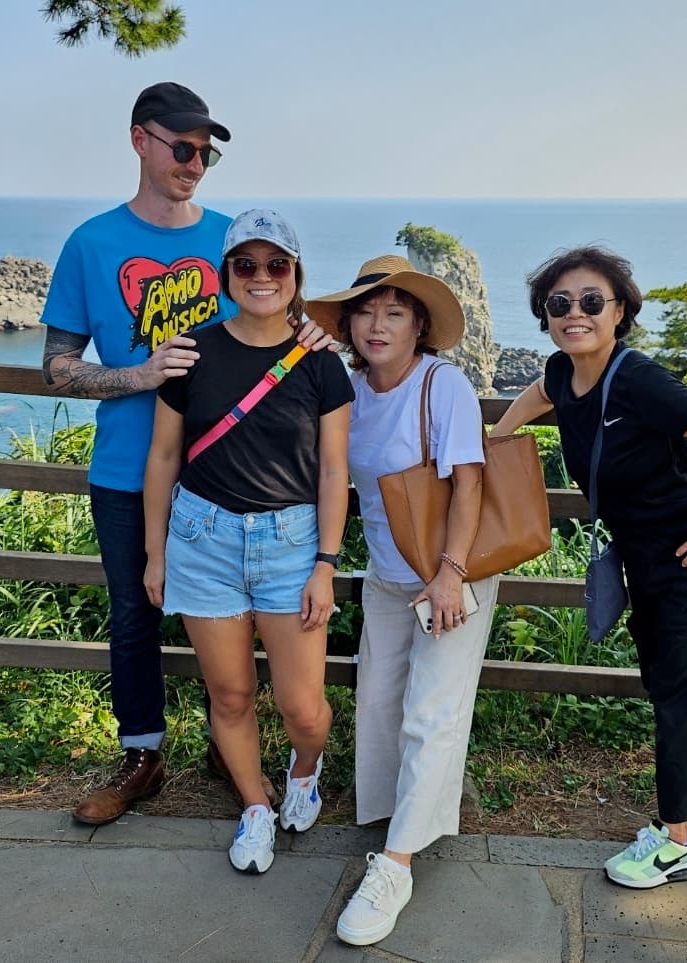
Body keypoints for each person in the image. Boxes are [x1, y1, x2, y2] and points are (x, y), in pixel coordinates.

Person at [41, 82, 327, 825]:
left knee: (248, 616)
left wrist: (321, 336)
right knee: (135, 611)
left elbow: (286, 323)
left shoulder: (237, 240)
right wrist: (138, 374)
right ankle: (142, 754)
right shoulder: (92, 243)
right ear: (140, 139)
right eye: (182, 147)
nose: (195, 164)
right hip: (127, 470)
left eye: (206, 152)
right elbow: (57, 365)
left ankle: (228, 750)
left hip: (228, 480)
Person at [492, 246, 687, 890]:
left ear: (620, 312)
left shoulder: (636, 378)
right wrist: (494, 441)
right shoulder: (564, 373)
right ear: (546, 316)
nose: (574, 314)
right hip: (645, 556)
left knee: (678, 692)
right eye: (560, 304)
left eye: (592, 302)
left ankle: (677, 840)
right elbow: (536, 395)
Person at [143, 209, 353, 874]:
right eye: (246, 264)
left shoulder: (322, 364)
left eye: (276, 265)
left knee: (302, 705)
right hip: (203, 536)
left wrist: (325, 561)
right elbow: (162, 456)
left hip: (290, 543)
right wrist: (155, 553)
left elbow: (333, 469)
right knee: (229, 694)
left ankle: (303, 771)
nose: (260, 277)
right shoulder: (191, 353)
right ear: (226, 274)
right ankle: (254, 806)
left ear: (295, 276)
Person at [306, 256, 501, 944]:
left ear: (420, 324)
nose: (377, 324)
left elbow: (470, 484)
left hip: (451, 569)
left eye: (394, 312)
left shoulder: (440, 384)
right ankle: (399, 815)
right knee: (379, 698)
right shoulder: (347, 389)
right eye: (363, 312)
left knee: (431, 710)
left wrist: (450, 572)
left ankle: (395, 862)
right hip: (387, 571)